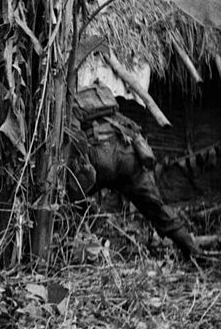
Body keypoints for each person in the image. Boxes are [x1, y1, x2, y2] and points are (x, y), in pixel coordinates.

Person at [67, 81, 199, 260]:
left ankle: (69, 251)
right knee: (156, 207)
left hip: (99, 158)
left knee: (70, 202)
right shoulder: (115, 115)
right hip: (128, 157)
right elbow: (136, 132)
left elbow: (74, 141)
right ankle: (192, 251)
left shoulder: (72, 110)